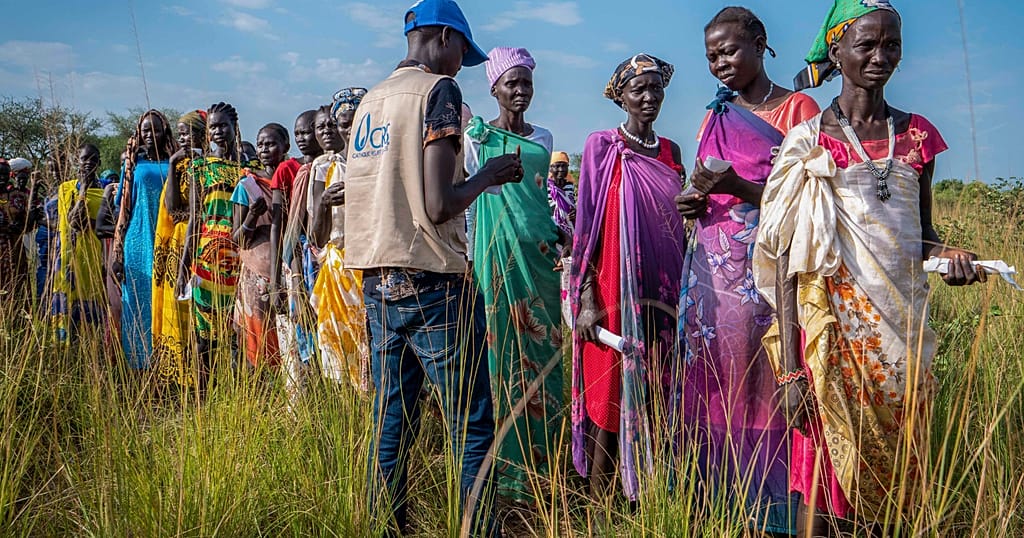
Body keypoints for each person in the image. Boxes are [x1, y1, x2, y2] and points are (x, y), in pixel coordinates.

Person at [753, 2, 985, 535]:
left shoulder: (918, 135)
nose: (881, 57)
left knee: (901, 478)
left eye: (892, 45)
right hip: (830, 338)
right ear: (836, 52)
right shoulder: (809, 142)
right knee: (822, 480)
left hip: (902, 340)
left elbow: (924, 235)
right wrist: (791, 370)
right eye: (867, 45)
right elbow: (787, 260)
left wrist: (949, 256)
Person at [343, 0, 523, 533]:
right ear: (444, 36)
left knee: (390, 421)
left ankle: (386, 526)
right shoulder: (438, 92)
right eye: (461, 51)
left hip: (375, 279)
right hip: (431, 278)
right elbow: (440, 203)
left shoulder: (368, 102)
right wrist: (488, 174)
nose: (458, 64)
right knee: (471, 425)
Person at [675, 7, 821, 535]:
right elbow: (701, 187)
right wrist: (692, 201)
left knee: (769, 380)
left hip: (770, 275)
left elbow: (806, 198)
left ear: (761, 44)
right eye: (712, 56)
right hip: (711, 279)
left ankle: (773, 512)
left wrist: (739, 189)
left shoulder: (799, 109)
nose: (720, 64)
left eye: (729, 51)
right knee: (714, 384)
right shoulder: (713, 113)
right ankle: (716, 502)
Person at [569, 53, 686, 500]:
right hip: (612, 290)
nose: (649, 97)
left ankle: (651, 496)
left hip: (662, 290)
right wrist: (584, 296)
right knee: (610, 392)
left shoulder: (671, 151)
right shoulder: (602, 145)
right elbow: (586, 226)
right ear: (620, 97)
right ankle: (599, 505)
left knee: (658, 390)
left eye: (656, 88)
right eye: (639, 89)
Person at [462, 46, 563, 506]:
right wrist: (466, 257)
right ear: (494, 88)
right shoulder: (476, 139)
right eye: (512, 83)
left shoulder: (543, 138)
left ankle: (549, 469)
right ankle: (505, 476)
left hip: (540, 259)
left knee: (545, 358)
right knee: (499, 357)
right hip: (494, 258)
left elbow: (539, 202)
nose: (520, 91)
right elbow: (466, 200)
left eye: (527, 83)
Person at [105, 110, 178, 370]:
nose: (150, 134)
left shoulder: (176, 161)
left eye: (155, 129)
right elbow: (123, 208)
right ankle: (138, 369)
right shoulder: (133, 163)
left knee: (166, 303)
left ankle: (166, 369)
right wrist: (118, 253)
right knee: (138, 304)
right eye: (145, 130)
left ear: (165, 132)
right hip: (138, 239)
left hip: (169, 241)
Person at [310, 90, 371, 390]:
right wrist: (323, 202)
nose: (351, 129)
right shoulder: (324, 167)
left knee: (370, 355)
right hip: (337, 270)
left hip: (372, 268)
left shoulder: (378, 163)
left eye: (357, 121)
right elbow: (317, 236)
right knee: (336, 353)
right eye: (344, 124)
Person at [181, 102, 245, 390]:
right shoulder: (200, 167)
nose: (218, 131)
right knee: (204, 334)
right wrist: (184, 264)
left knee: (236, 331)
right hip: (206, 259)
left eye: (223, 125)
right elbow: (195, 218)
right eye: (213, 127)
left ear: (234, 128)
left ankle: (236, 397)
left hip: (240, 258)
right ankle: (202, 395)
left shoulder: (248, 168)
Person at [232, 123, 289, 370]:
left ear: (285, 146)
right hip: (256, 275)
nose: (265, 149)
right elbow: (238, 238)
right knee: (256, 340)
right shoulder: (247, 187)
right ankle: (259, 397)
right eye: (261, 144)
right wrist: (252, 216)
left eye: (271, 143)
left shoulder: (293, 180)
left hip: (288, 269)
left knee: (289, 338)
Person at [155, 110, 206, 388]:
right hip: (179, 241)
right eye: (181, 133)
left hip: (202, 243)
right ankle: (179, 376)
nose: (185, 138)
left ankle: (201, 377)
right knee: (178, 305)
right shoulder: (181, 166)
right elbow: (173, 208)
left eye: (190, 132)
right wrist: (174, 164)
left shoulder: (209, 166)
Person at [277, 109, 324, 399]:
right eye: (298, 134)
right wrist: (293, 275)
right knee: (305, 329)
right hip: (303, 261)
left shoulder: (322, 168)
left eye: (308, 132)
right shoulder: (302, 173)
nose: (303, 138)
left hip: (322, 259)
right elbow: (293, 230)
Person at [52, 143, 106, 341]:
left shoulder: (105, 191)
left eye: (93, 159)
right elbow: (74, 221)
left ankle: (91, 347)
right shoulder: (65, 189)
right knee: (67, 300)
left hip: (93, 256)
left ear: (99, 163)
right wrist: (82, 188)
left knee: (92, 303)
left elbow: (104, 223)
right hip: (68, 256)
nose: (88, 163)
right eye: (84, 159)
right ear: (77, 161)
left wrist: (91, 222)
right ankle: (66, 348)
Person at [0, 158, 31, 301]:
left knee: (17, 282)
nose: (2, 177)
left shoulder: (18, 195)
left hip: (16, 247)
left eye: (5, 174)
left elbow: (28, 222)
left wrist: (24, 223)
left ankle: (17, 319)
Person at [547, 151, 575, 239]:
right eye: (557, 166)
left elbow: (571, 205)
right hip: (552, 229)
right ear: (550, 168)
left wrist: (575, 213)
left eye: (564, 166)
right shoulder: (546, 187)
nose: (561, 169)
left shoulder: (570, 186)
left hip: (570, 228)